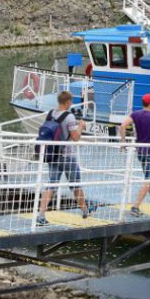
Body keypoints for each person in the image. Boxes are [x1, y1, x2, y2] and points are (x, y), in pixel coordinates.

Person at [35, 91, 94, 226]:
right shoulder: (69, 117)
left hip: (52, 155)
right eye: (71, 101)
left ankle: (41, 215)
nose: (71, 104)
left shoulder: (50, 114)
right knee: (75, 184)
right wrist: (81, 126)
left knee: (51, 184)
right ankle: (84, 211)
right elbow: (75, 138)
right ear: (67, 102)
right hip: (68, 156)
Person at [120, 93, 150, 217]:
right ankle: (135, 206)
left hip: (140, 151)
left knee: (148, 177)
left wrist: (123, 141)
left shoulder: (135, 114)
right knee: (148, 179)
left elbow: (123, 125)